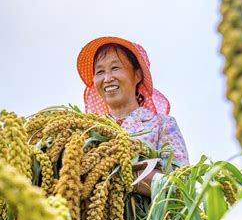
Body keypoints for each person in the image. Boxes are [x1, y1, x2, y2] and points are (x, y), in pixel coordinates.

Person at [77, 36, 189, 196]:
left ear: (137, 75)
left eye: (115, 68)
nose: (107, 78)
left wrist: (118, 172)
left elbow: (181, 184)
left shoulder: (162, 125)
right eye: (100, 71)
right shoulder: (88, 133)